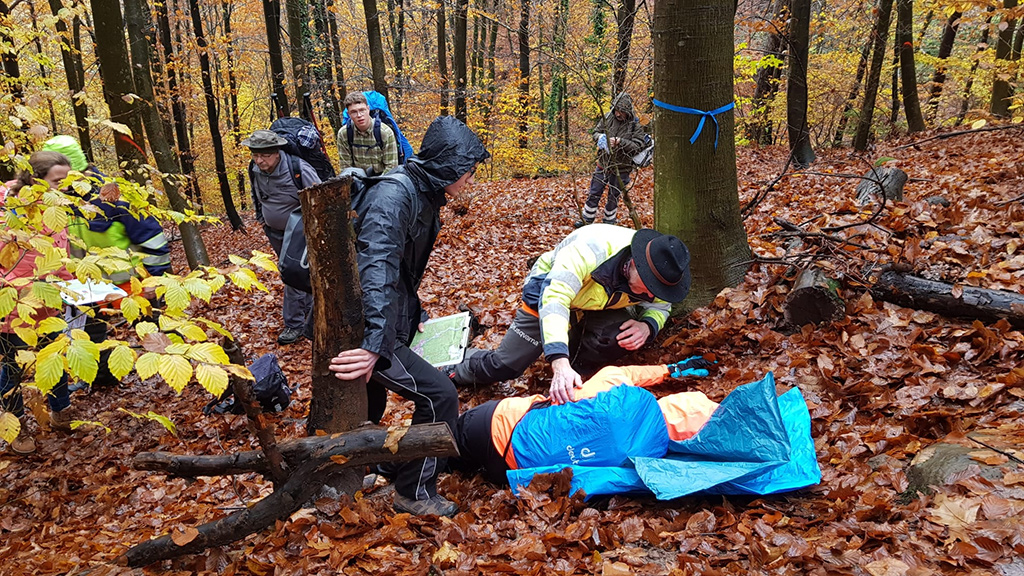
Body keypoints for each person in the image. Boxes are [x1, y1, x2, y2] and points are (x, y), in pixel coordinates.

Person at [328, 116, 490, 517]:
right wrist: (373, 348)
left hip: (379, 322)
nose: (470, 179)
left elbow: (401, 273)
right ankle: (414, 493)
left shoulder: (424, 194)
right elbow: (377, 270)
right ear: (449, 167)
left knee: (372, 401)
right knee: (440, 396)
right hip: (361, 330)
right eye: (467, 170)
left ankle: (355, 470)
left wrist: (413, 313)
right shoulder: (395, 197)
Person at [450, 224, 691, 405]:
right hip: (549, 291)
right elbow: (555, 299)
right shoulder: (590, 250)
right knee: (505, 366)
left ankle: (578, 374)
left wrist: (648, 325)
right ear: (633, 263)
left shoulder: (660, 272)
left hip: (597, 304)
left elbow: (661, 306)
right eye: (648, 287)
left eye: (657, 290)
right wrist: (559, 361)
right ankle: (452, 364)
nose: (651, 295)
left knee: (614, 337)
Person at [451, 359, 718, 485]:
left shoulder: (620, 398)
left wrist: (666, 370)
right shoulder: (651, 463)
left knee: (440, 449)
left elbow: (624, 373)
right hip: (512, 472)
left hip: (494, 423)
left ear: (673, 399)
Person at [1, 151, 78, 454]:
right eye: (58, 180)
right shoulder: (7, 208)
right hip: (13, 304)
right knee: (12, 367)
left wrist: (76, 285)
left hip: (48, 300)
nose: (63, 186)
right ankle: (14, 427)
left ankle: (61, 411)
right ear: (35, 179)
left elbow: (61, 253)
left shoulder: (56, 208)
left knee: (54, 356)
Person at [241, 129, 320, 345]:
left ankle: (294, 325)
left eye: (264, 155)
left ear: (277, 152)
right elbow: (257, 196)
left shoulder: (298, 168)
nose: (259, 160)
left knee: (292, 274)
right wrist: (262, 219)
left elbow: (319, 198)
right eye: (255, 155)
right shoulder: (254, 169)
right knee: (301, 275)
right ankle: (309, 313)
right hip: (274, 233)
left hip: (300, 234)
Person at [576, 93, 647, 227]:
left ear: (628, 112)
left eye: (622, 112)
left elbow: (638, 146)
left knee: (614, 196)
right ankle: (587, 219)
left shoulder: (635, 125)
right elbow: (595, 132)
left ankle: (609, 221)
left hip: (622, 167)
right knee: (594, 192)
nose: (618, 114)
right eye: (617, 111)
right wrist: (601, 138)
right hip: (603, 163)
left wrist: (621, 142)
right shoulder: (608, 117)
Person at [338, 91, 399, 177]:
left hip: (383, 178)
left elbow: (391, 167)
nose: (359, 115)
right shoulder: (344, 134)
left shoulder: (385, 132)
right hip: (357, 179)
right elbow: (346, 168)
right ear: (349, 114)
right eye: (354, 112)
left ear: (368, 109)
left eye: (362, 110)